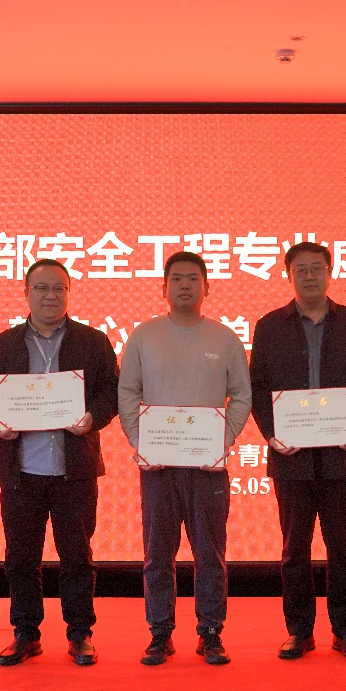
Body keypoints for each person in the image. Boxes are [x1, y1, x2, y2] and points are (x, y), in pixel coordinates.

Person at [0, 259, 119, 667]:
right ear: (26, 293)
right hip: (21, 471)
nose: (50, 296)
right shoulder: (2, 344)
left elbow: (110, 393)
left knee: (77, 556)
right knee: (21, 558)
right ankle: (26, 633)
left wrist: (92, 417)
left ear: (69, 293)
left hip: (75, 469)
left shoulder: (93, 341)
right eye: (41, 288)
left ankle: (80, 633)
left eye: (59, 288)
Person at [249, 241, 346, 661]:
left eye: (316, 269)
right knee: (294, 550)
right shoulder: (269, 326)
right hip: (291, 458)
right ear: (289, 276)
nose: (309, 276)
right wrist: (272, 435)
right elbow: (257, 387)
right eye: (301, 270)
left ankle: (345, 630)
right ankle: (299, 631)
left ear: (330, 272)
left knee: (342, 547)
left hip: (341, 455)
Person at [118, 251, 251, 666]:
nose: (185, 285)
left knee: (210, 554)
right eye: (177, 278)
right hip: (158, 467)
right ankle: (160, 633)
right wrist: (140, 441)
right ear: (164, 287)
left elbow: (241, 396)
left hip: (207, 467)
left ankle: (211, 632)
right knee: (158, 554)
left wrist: (223, 440)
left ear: (207, 287)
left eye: (193, 278)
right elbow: (128, 392)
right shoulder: (144, 336)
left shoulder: (225, 338)